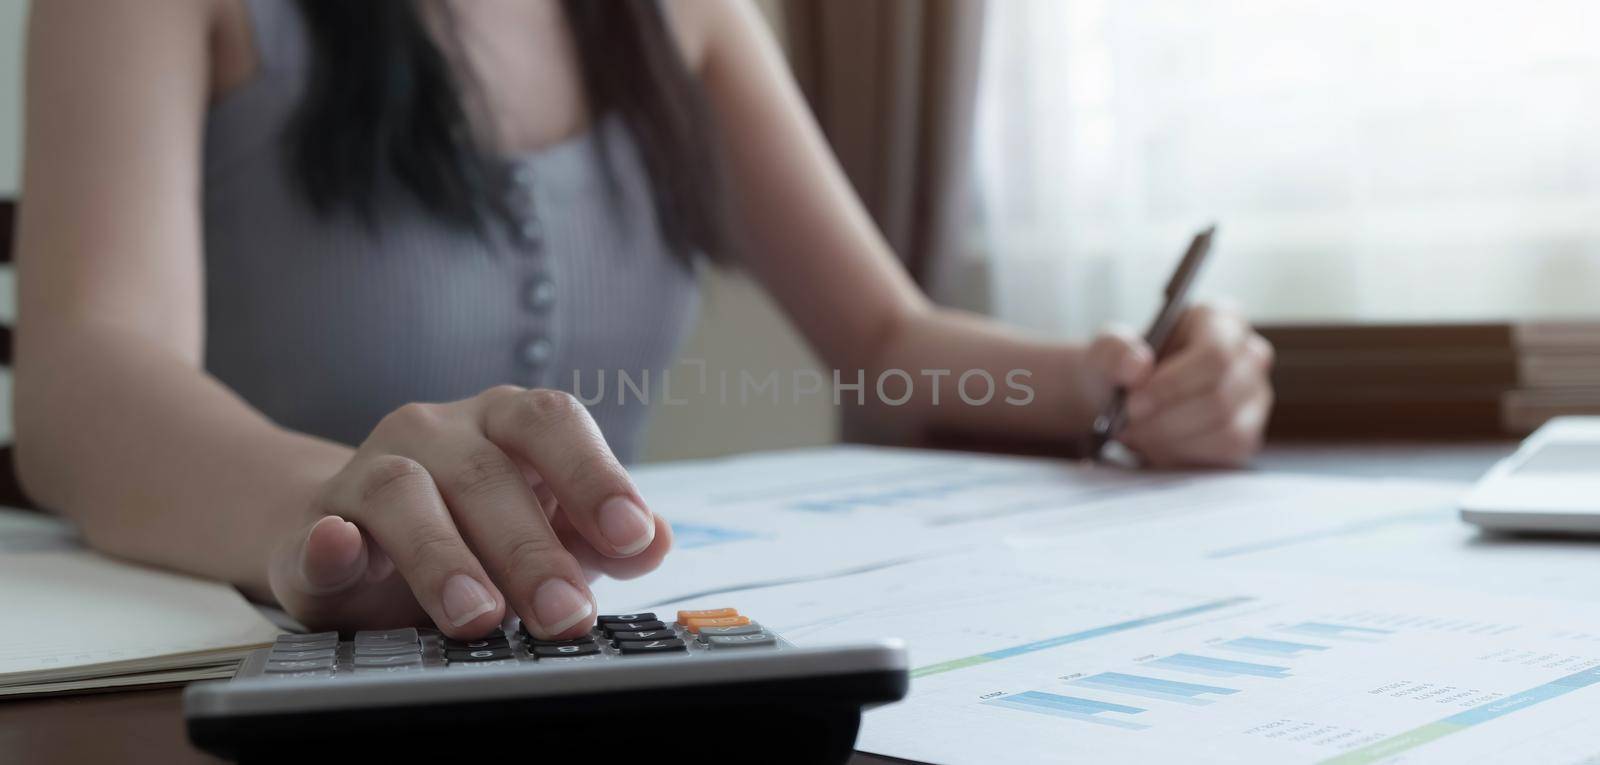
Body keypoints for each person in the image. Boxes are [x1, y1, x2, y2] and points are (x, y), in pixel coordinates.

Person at [13, 0, 1274, 641]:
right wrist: (328, 505)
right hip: (252, 675)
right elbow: (81, 381)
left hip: (593, 672)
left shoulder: (684, 14)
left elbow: (887, 345)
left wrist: (1123, 385)